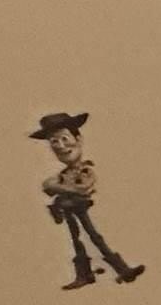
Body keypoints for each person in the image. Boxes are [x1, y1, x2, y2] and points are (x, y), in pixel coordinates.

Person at [32, 111, 143, 289]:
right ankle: (84, 274)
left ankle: (121, 268)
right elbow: (47, 186)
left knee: (94, 236)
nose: (61, 146)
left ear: (78, 139)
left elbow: (83, 188)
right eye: (54, 142)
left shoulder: (85, 169)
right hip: (69, 211)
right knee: (76, 240)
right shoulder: (64, 174)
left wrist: (61, 188)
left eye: (64, 139)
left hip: (79, 208)